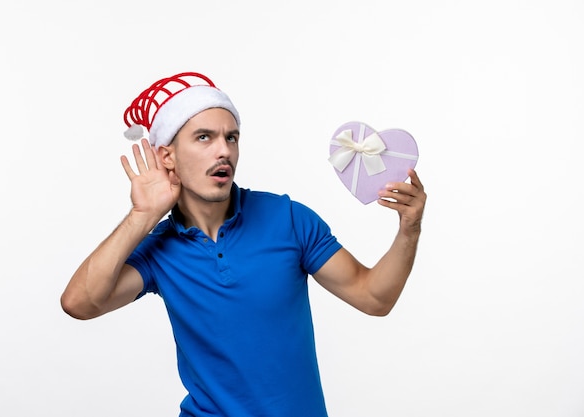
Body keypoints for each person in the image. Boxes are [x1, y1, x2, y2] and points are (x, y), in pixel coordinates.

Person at [60, 72, 427, 417]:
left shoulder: (288, 218)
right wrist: (142, 216)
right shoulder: (159, 250)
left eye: (231, 137)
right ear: (166, 156)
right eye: (204, 137)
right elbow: (79, 303)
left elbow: (374, 298)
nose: (224, 151)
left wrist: (409, 229)